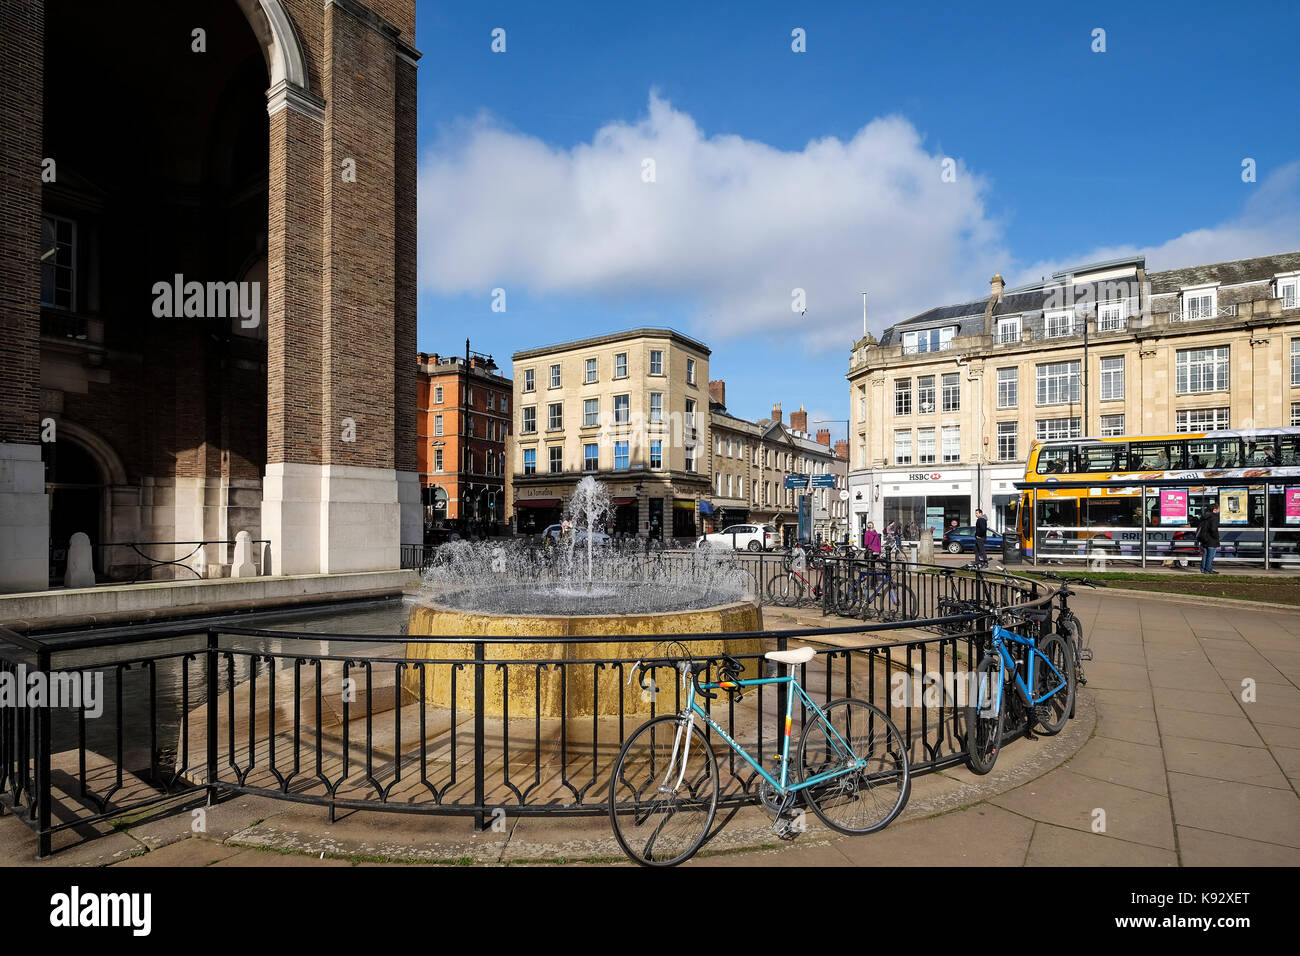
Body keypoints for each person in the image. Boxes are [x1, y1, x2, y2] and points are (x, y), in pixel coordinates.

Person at [1196, 503, 1221, 574]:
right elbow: (1213, 529)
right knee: (1210, 556)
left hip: (1203, 539)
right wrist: (1216, 537)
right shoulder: (1214, 517)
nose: (1219, 510)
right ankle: (1208, 570)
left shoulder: (1204, 517)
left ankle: (1203, 569)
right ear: (1215, 510)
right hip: (1211, 540)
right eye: (1218, 509)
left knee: (1205, 555)